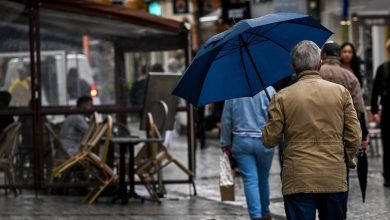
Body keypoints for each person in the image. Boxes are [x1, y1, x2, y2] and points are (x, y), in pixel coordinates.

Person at [262, 40, 361, 220]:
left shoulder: (282, 97)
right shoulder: (341, 93)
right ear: (319, 64)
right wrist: (347, 159)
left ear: (293, 67)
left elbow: (270, 140)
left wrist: (273, 113)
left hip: (298, 178)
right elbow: (354, 135)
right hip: (333, 176)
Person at [220, 87, 276, 220]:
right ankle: (265, 213)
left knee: (250, 180)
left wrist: (225, 143)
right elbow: (276, 117)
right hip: (265, 141)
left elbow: (226, 120)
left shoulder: (233, 92)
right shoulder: (269, 90)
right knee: (263, 179)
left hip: (242, 141)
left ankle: (255, 216)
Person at [371, 38, 390, 187]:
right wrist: (375, 110)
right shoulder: (383, 68)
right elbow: (375, 91)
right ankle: (388, 175)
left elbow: (375, 92)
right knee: (387, 144)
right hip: (388, 111)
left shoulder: (383, 68)